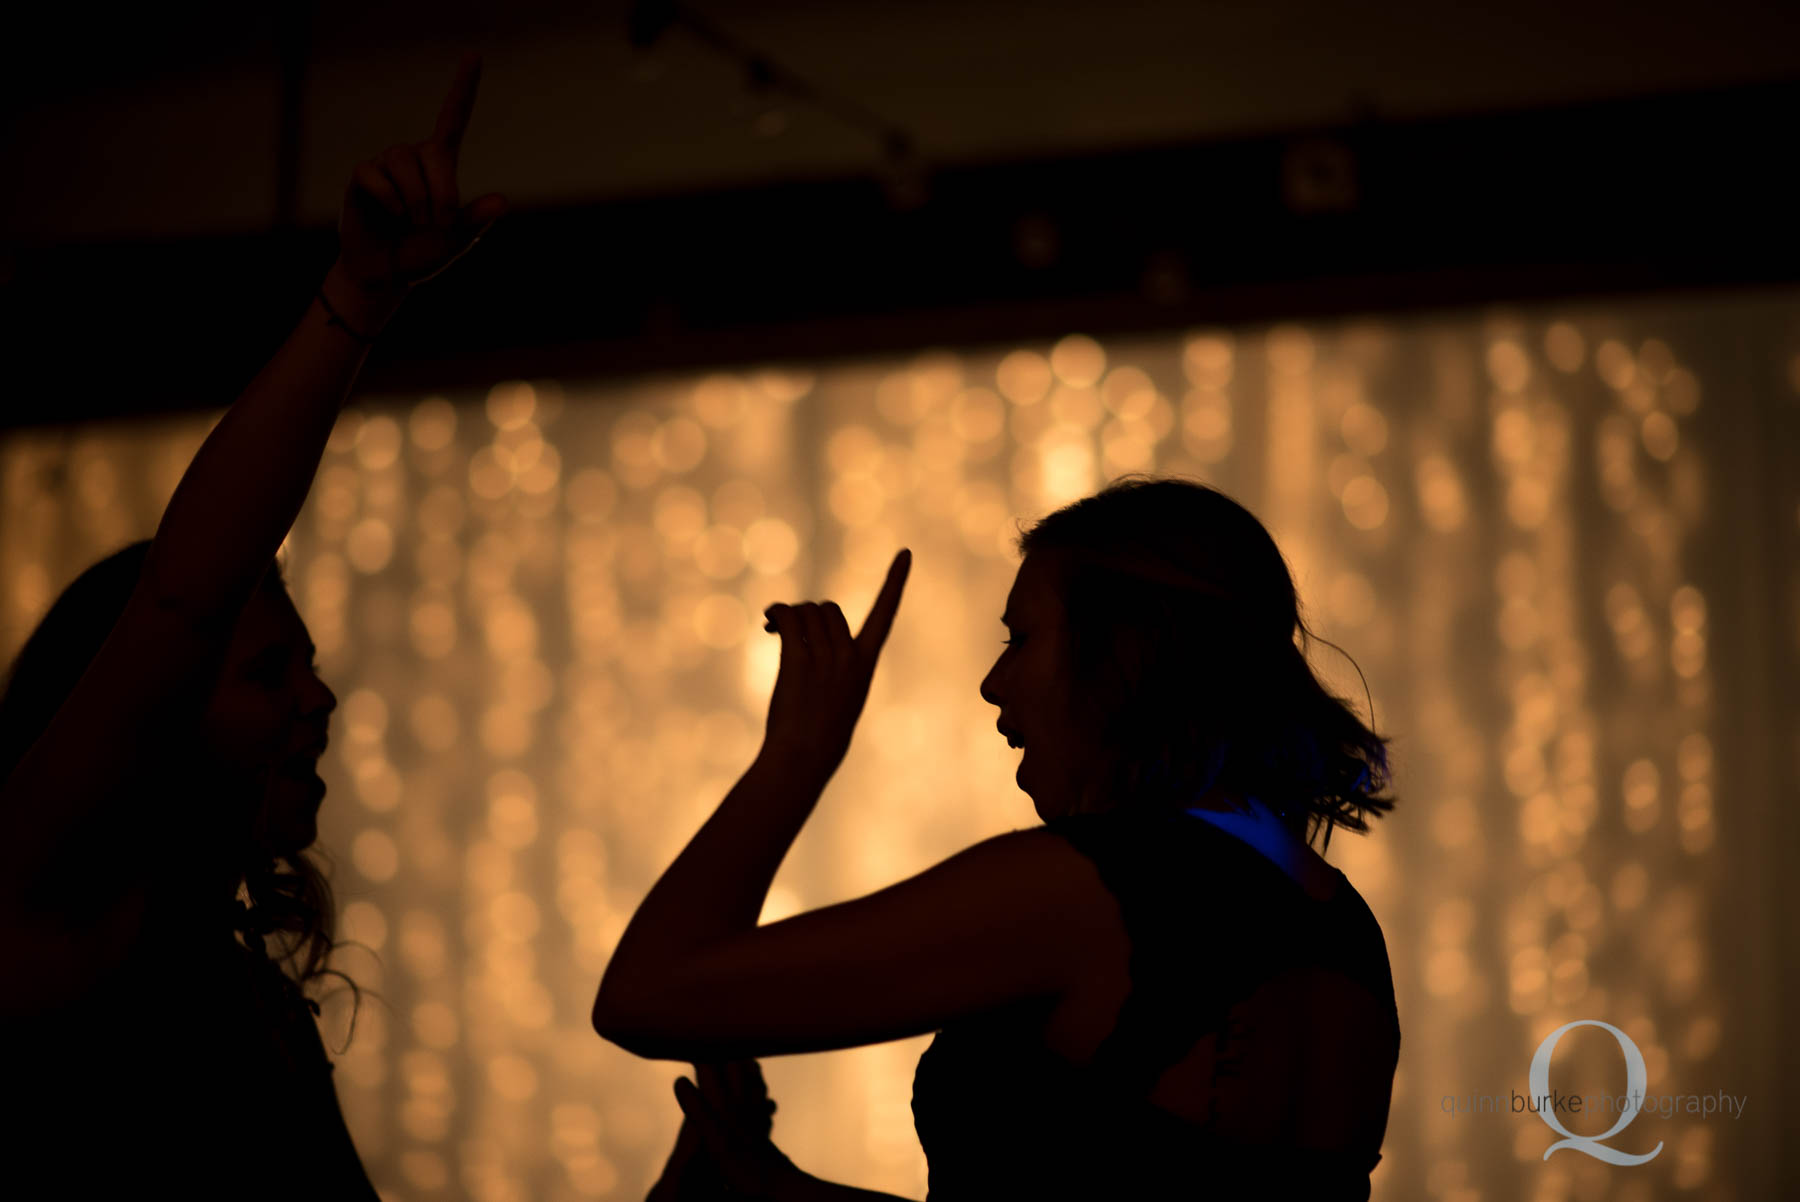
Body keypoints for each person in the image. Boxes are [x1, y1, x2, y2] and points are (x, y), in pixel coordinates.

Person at [598, 475, 1402, 1201]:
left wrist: (799, 754)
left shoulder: (1086, 890)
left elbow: (645, 997)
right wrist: (780, 1192)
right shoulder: (1338, 921)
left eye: (1021, 640)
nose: (993, 683)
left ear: (1123, 654)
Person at [0, 56, 504, 1197]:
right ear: (148, 709)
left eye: (308, 667)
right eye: (271, 670)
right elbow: (185, 599)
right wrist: (354, 304)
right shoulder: (41, 904)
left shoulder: (239, 990)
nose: (321, 700)